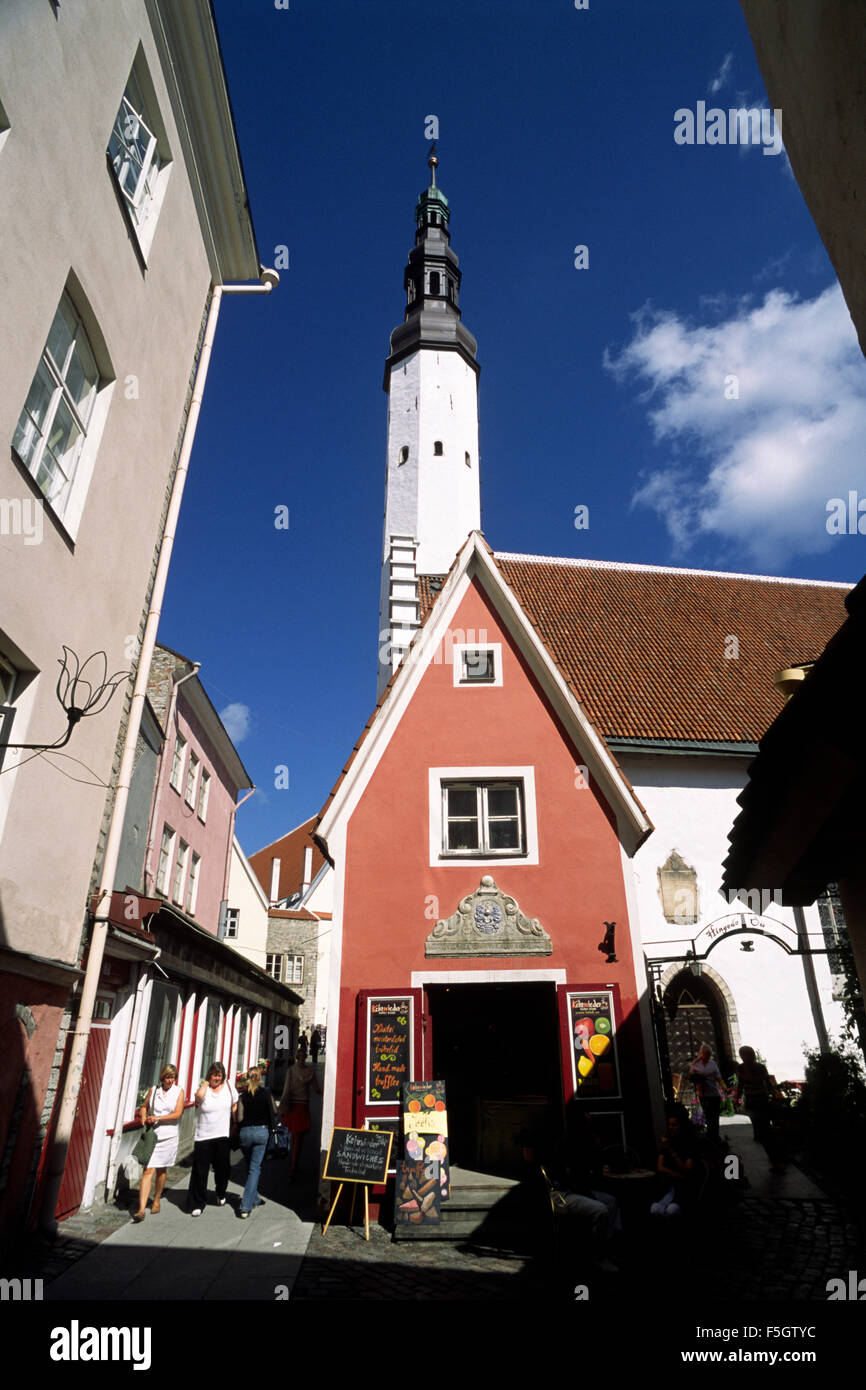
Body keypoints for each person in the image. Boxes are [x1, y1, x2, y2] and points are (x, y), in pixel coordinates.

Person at [546, 1101, 621, 1272]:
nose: (589, 1117)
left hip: (574, 1190)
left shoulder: (580, 1140)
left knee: (612, 1201)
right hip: (563, 1195)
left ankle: (608, 1243)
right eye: (586, 1115)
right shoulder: (571, 1143)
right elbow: (575, 1179)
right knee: (601, 1209)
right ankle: (597, 1255)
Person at [133, 1063, 185, 1222]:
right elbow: (144, 1106)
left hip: (168, 1135)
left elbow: (177, 1114)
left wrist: (158, 1118)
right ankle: (141, 1209)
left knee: (161, 1170)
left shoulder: (178, 1091)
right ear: (162, 1077)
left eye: (173, 1077)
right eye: (168, 1077)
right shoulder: (154, 1090)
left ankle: (156, 1199)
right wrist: (143, 1117)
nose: (170, 1081)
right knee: (148, 1170)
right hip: (153, 1135)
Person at [188, 1061, 237, 1215]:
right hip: (204, 1136)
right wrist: (205, 1083)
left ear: (223, 1077)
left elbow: (234, 1104)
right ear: (209, 1075)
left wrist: (234, 1122)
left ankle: (220, 1192)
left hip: (222, 1135)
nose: (217, 1078)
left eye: (219, 1076)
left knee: (223, 1169)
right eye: (214, 1075)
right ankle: (198, 1203)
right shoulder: (205, 1089)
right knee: (200, 1172)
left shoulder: (229, 1088)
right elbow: (197, 1098)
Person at [235, 1066, 278, 1218]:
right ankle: (246, 1206)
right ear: (260, 1078)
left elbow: (239, 1118)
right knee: (255, 1169)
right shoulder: (266, 1093)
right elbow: (274, 1110)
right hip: (261, 1132)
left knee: (250, 1167)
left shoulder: (243, 1096)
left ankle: (255, 1198)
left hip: (245, 1133)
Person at [735, 1045, 785, 1172]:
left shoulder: (754, 1068)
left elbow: (766, 1085)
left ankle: (776, 1161)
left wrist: (775, 1097)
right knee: (765, 1132)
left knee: (764, 1133)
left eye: (743, 1054)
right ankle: (777, 1160)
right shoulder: (747, 1068)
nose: (742, 1057)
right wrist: (736, 1099)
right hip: (757, 1103)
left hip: (758, 1103)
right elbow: (742, 1086)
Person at [278, 1044, 321, 1180]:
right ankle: (294, 1163)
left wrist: (282, 1108)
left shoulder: (291, 1070)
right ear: (305, 1057)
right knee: (299, 1138)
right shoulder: (310, 1072)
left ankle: (293, 1162)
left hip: (293, 1104)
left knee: (293, 1136)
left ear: (297, 1057)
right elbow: (316, 1089)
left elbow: (286, 1090)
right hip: (303, 1105)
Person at [651, 1108, 699, 1217]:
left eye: (674, 1125)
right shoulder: (667, 1142)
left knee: (672, 1210)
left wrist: (672, 1152)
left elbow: (687, 1169)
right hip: (669, 1184)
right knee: (655, 1208)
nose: (671, 1128)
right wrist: (676, 1174)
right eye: (669, 1125)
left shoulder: (689, 1144)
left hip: (683, 1188)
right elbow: (660, 1166)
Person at [689, 1043, 725, 1144]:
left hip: (714, 1094)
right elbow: (691, 1077)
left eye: (709, 1055)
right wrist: (697, 1079)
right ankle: (711, 1136)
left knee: (715, 1116)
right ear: (701, 1054)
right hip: (703, 1095)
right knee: (709, 1116)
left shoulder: (713, 1064)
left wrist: (724, 1087)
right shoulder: (695, 1065)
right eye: (706, 1054)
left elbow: (718, 1077)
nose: (707, 1057)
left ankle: (715, 1136)